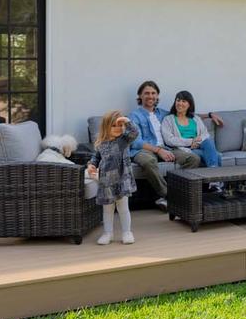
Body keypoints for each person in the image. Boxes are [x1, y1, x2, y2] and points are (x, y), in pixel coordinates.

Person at [128, 80, 198, 209]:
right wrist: (158, 151)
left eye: (153, 93)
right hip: (144, 151)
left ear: (157, 96)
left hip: (167, 148)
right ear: (140, 96)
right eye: (147, 93)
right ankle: (169, 195)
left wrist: (210, 115)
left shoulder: (165, 114)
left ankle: (176, 191)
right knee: (148, 161)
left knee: (193, 159)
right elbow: (135, 142)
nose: (150, 96)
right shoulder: (134, 115)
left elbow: (186, 115)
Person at [87, 110, 137, 245]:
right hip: (106, 182)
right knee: (107, 209)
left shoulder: (123, 141)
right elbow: (96, 157)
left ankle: (127, 232)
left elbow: (134, 132)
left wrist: (126, 121)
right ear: (106, 126)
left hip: (121, 180)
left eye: (120, 125)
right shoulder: (101, 143)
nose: (118, 128)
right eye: (114, 125)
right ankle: (108, 233)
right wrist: (91, 165)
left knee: (123, 208)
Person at [161, 90, 222, 185]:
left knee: (208, 141)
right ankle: (215, 181)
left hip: (199, 145)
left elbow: (205, 133)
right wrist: (191, 141)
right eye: (178, 100)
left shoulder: (195, 118)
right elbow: (169, 140)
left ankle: (213, 179)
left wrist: (197, 142)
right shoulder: (168, 119)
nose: (180, 103)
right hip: (184, 149)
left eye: (184, 101)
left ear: (189, 104)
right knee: (217, 156)